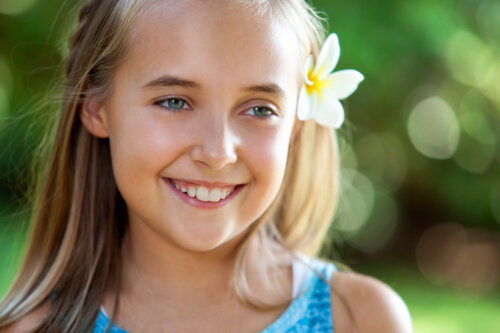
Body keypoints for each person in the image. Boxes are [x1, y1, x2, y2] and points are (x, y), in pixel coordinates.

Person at [0, 0, 412, 332]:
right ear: (95, 105)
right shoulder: (31, 329)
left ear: (297, 125)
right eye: (175, 101)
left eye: (259, 109)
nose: (218, 153)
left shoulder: (360, 320)